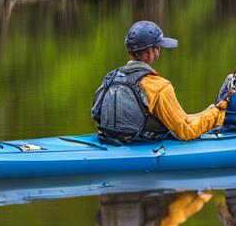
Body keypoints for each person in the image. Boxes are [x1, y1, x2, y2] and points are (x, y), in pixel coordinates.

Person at [91, 20, 226, 143]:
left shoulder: (110, 78)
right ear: (150, 52)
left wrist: (207, 111)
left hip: (109, 140)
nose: (159, 52)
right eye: (158, 47)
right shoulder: (159, 86)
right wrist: (215, 114)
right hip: (140, 146)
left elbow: (95, 114)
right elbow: (186, 131)